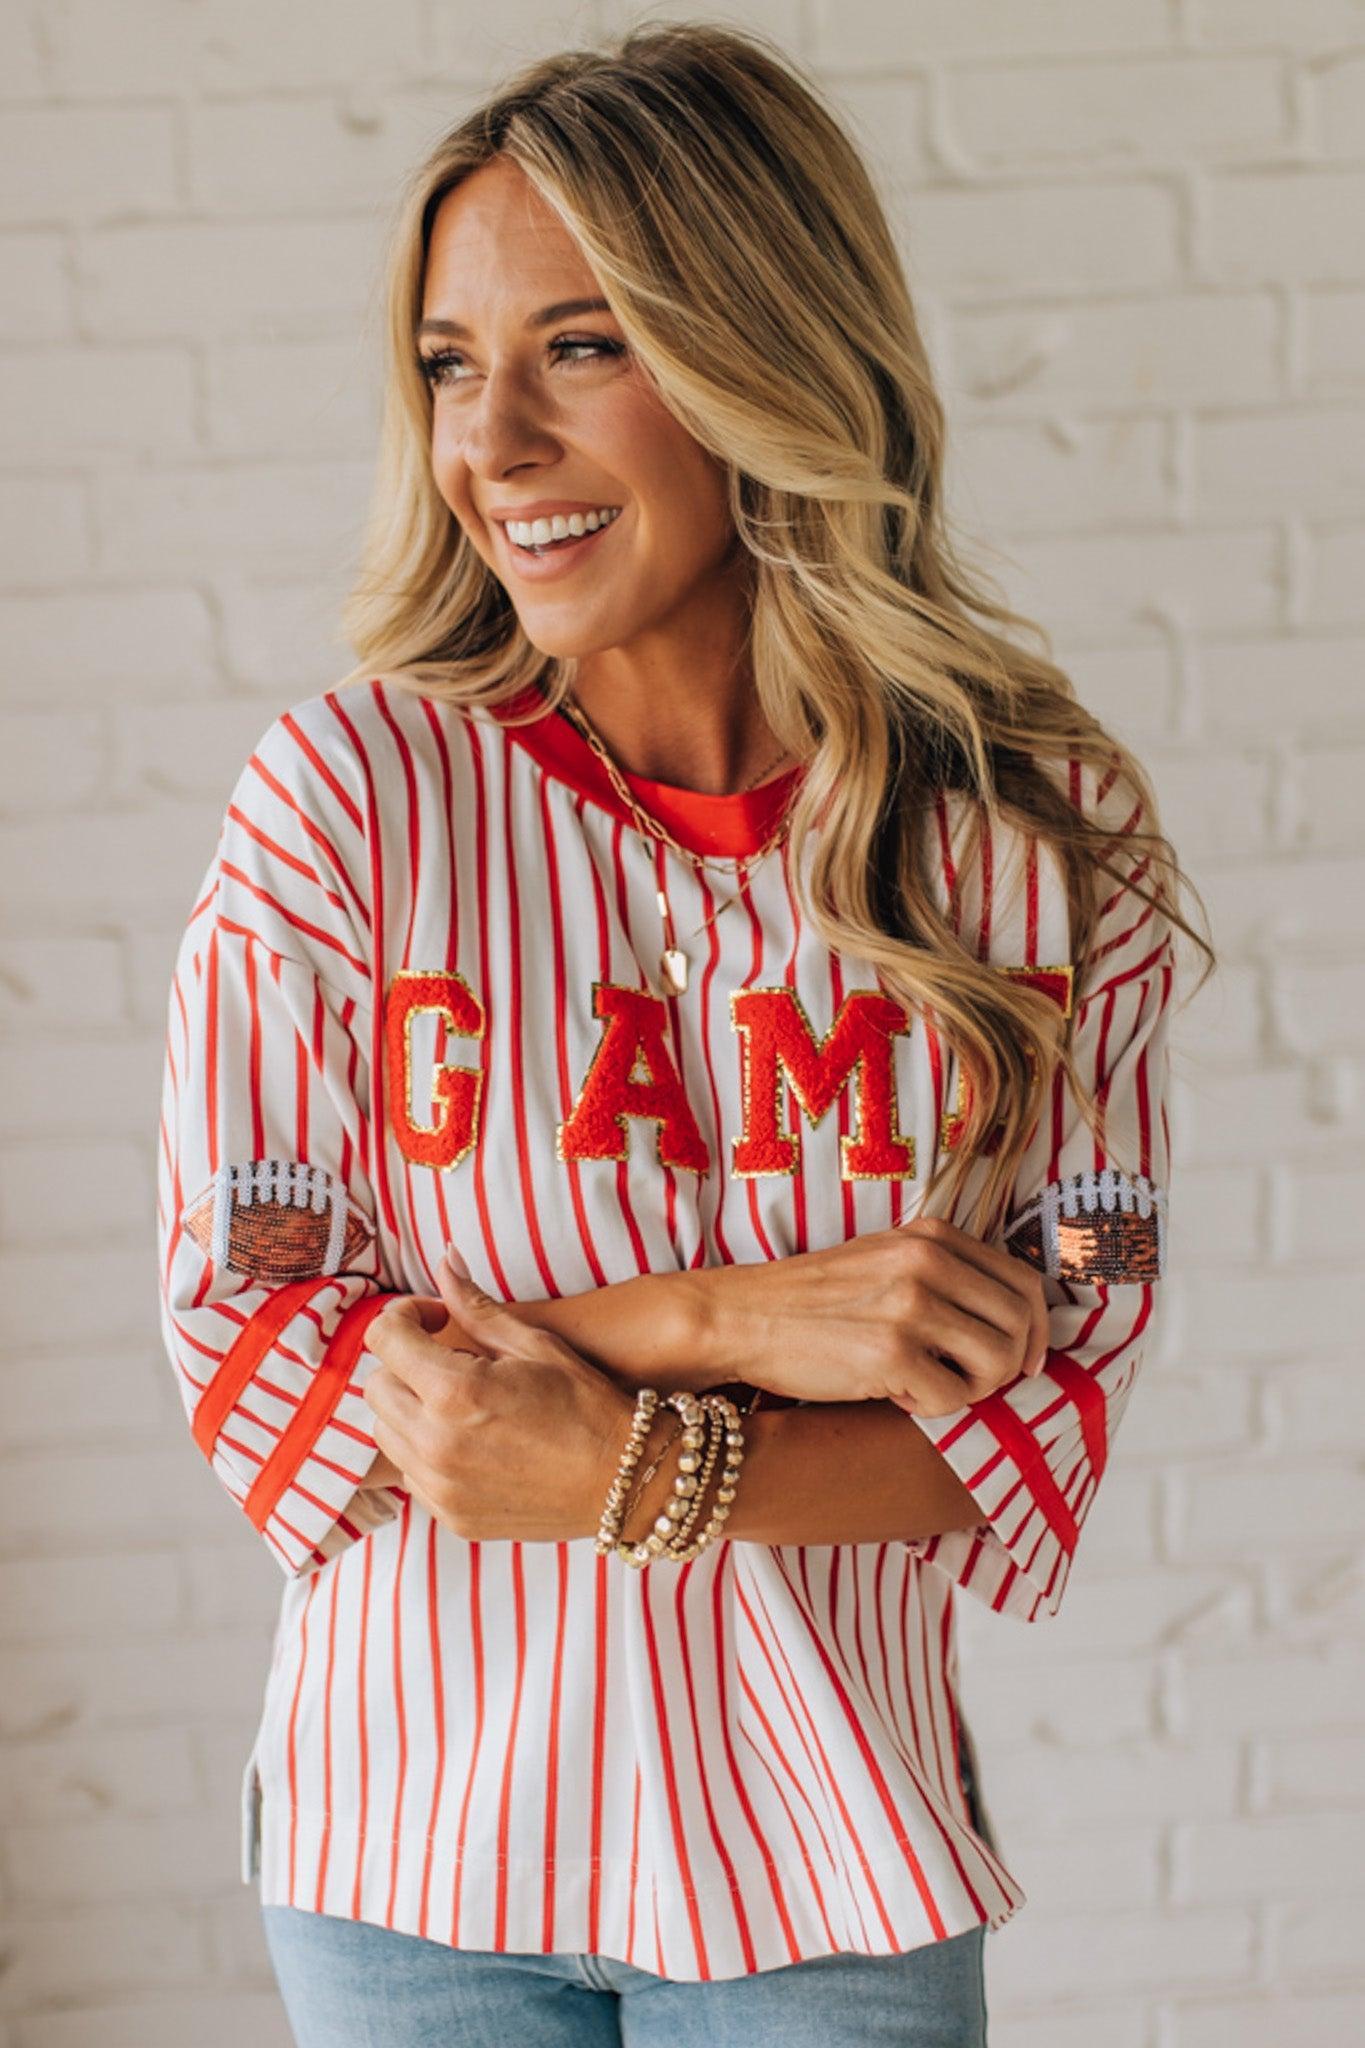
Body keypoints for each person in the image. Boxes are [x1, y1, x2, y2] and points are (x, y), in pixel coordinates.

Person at [155, 21, 1214, 2047]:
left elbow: (1036, 1404)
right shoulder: (347, 801)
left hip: (835, 1859)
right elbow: (263, 1344)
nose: (493, 446)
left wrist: (614, 1458)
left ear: (762, 356)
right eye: (451, 366)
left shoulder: (1032, 845)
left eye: (579, 346)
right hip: (408, 1870)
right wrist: (735, 1315)